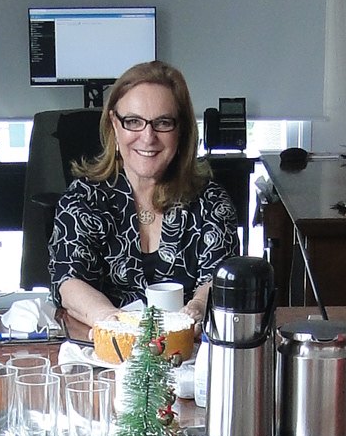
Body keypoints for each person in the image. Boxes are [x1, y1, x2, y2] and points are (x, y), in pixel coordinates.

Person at [48, 61, 240, 328]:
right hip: (103, 350)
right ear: (115, 124)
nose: (148, 137)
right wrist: (113, 322)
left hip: (189, 352)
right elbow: (68, 281)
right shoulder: (82, 200)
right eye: (134, 121)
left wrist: (196, 309)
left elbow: (220, 279)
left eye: (163, 123)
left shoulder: (212, 203)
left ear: (180, 129)